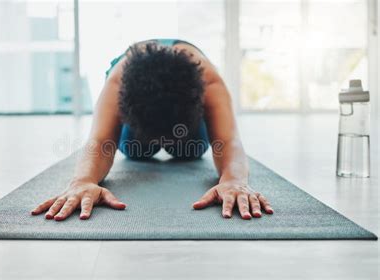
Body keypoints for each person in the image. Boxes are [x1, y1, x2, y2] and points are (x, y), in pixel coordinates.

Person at [31, 39, 274, 221]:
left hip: (185, 130)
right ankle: (146, 138)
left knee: (188, 151)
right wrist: (83, 180)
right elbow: (100, 140)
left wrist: (233, 180)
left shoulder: (209, 80)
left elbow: (229, 141)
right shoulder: (118, 81)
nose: (162, 144)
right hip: (140, 128)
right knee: (138, 151)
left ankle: (179, 137)